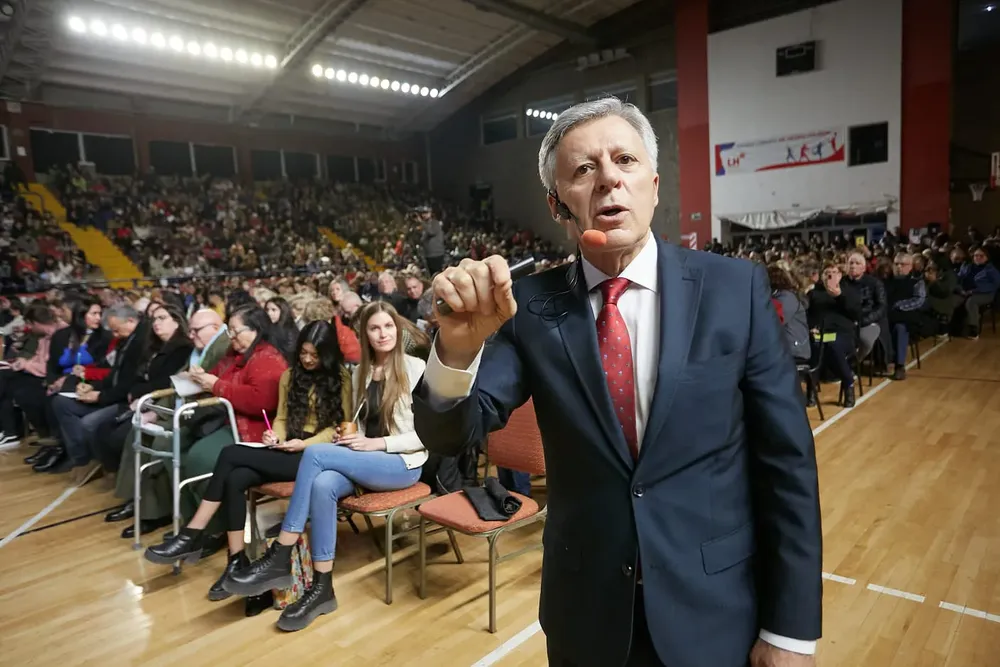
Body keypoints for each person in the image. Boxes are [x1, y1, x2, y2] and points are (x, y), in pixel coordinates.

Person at [412, 98, 821, 667]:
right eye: (583, 169)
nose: (608, 178)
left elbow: (787, 464)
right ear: (559, 207)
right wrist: (456, 351)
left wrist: (791, 631)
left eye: (624, 160)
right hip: (587, 615)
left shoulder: (735, 290)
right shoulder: (527, 308)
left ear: (653, 184)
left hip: (716, 608)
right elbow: (454, 437)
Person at [220, 301, 429, 633]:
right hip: (365, 459)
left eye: (388, 327)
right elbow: (359, 425)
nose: (382, 334)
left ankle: (280, 554)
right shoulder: (360, 371)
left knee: (315, 457)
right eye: (374, 328)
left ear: (398, 329)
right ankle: (322, 587)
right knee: (322, 484)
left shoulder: (417, 369)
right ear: (365, 334)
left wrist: (377, 443)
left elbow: (427, 436)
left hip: (403, 463)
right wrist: (353, 437)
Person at [142, 320, 352, 602]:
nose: (307, 359)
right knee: (236, 476)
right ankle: (235, 559)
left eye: (314, 355)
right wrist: (273, 437)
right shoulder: (291, 375)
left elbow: (339, 427)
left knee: (230, 454)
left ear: (327, 354)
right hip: (289, 447)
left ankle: (192, 533)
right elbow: (281, 418)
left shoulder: (341, 378)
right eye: (303, 353)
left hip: (316, 454)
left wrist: (304, 443)